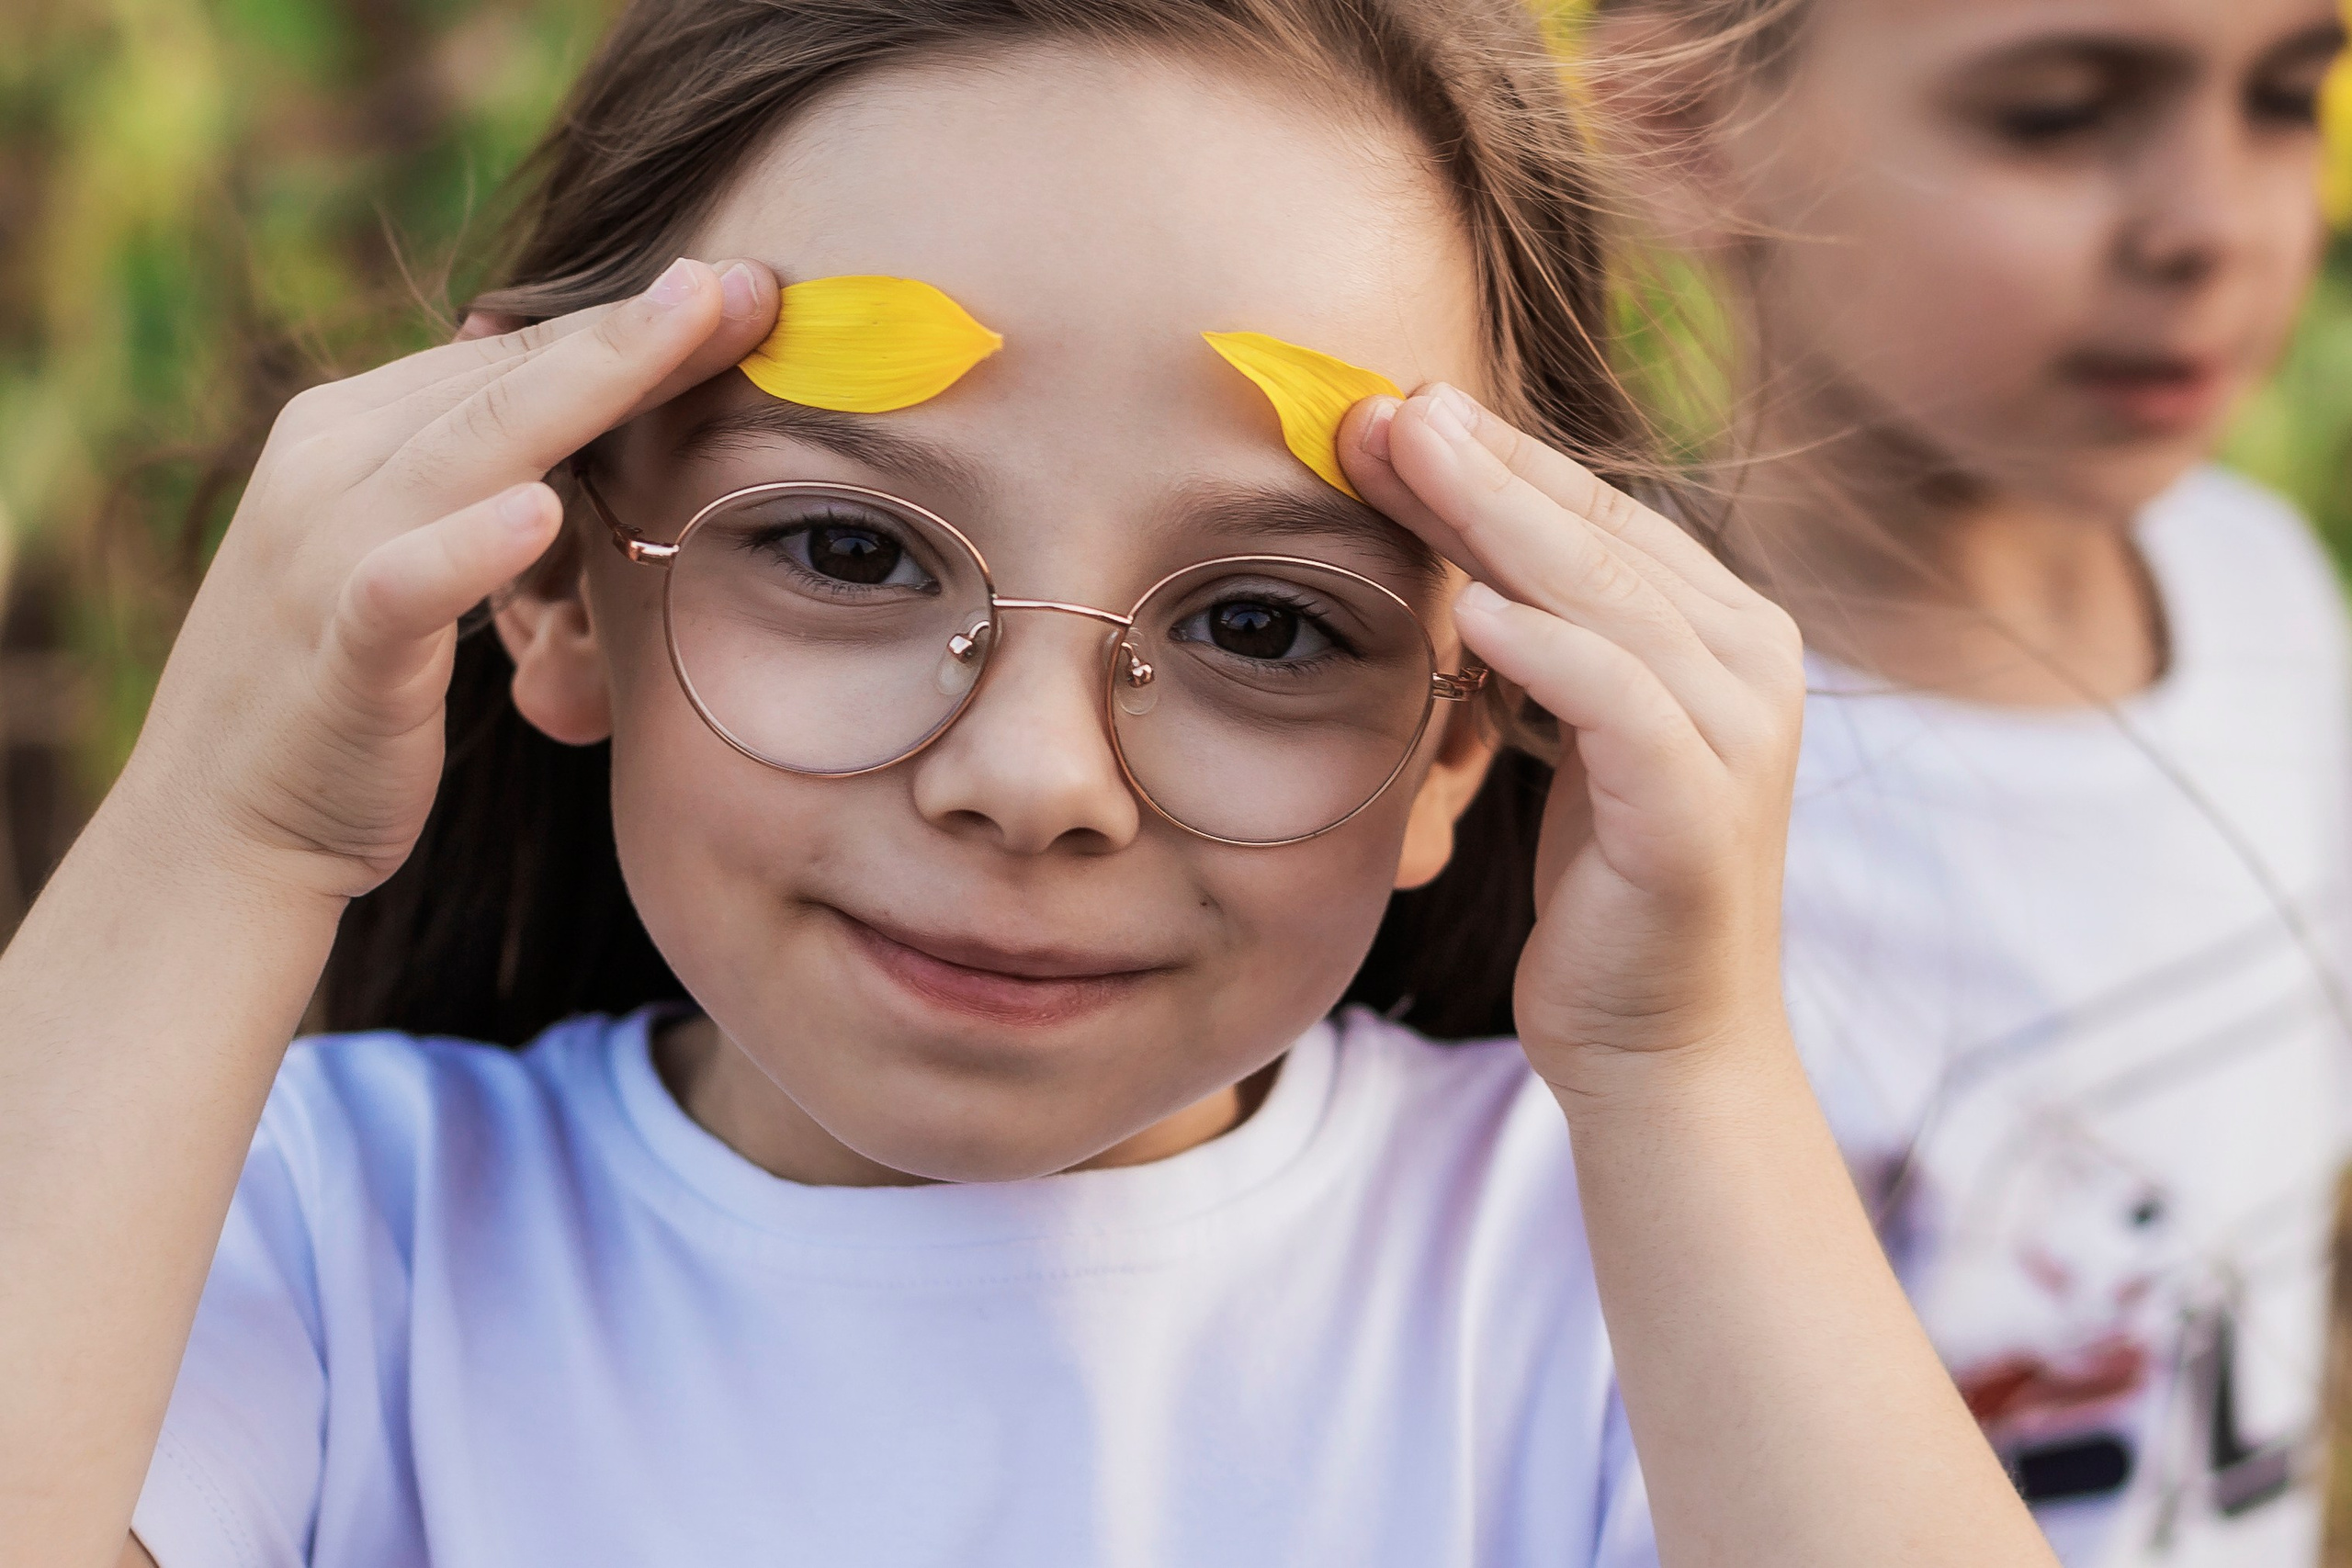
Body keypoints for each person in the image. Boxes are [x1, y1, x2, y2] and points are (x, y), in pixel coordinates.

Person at [0, 2, 2059, 1565]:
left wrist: (1689, 1065)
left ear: (1457, 731)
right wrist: (222, 832)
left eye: (1265, 623)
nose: (1030, 779)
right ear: (546, 572)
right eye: (844, 548)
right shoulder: (312, 1226)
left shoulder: (1603, 1275)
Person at [1585, 1, 2352, 1562]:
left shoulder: (2259, 582)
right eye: (2057, 113)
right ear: (1680, 116)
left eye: (2286, 99)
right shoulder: (1608, 787)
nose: (2216, 224)